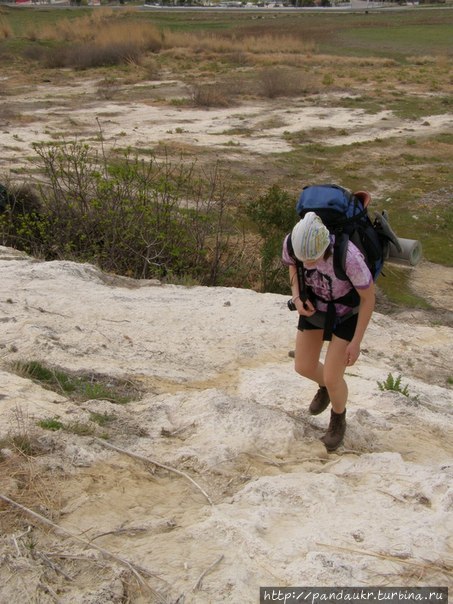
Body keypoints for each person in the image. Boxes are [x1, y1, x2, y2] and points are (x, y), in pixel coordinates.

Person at [282, 211, 375, 451]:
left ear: (325, 247)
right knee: (303, 366)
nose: (307, 264)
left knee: (334, 377)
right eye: (304, 259)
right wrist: (297, 296)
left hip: (346, 314)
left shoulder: (349, 258)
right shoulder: (293, 244)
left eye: (312, 259)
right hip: (314, 306)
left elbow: (368, 298)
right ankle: (325, 387)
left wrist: (356, 342)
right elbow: (293, 265)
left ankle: (337, 418)